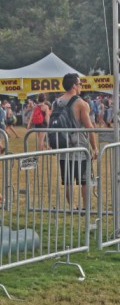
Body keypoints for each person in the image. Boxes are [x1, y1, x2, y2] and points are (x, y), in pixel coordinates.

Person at [55, 73, 98, 208]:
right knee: (84, 180)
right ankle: (85, 207)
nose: (81, 87)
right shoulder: (81, 103)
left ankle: (72, 207)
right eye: (79, 84)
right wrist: (95, 147)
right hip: (80, 147)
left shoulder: (56, 102)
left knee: (68, 181)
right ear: (74, 85)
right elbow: (89, 127)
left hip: (63, 145)